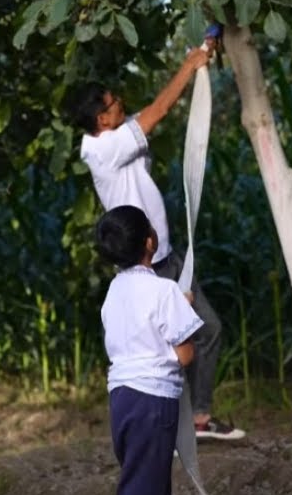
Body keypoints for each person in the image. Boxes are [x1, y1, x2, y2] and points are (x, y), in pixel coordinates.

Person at [65, 45, 242, 441]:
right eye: (114, 103)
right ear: (100, 118)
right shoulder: (104, 148)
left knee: (207, 330)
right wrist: (189, 64)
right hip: (151, 268)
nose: (121, 103)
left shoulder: (112, 135)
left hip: (165, 257)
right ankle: (167, 420)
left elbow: (145, 116)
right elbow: (157, 112)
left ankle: (197, 419)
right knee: (176, 346)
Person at [56, 206, 214, 495]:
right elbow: (184, 355)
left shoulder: (114, 292)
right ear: (150, 243)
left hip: (122, 399)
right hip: (151, 402)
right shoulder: (163, 291)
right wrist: (185, 306)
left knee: (153, 487)